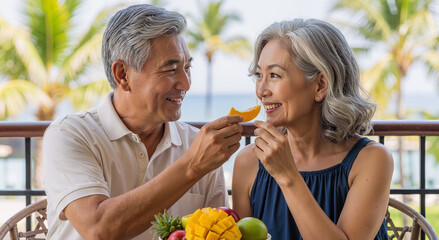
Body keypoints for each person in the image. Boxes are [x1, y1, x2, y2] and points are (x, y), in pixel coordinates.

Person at [42, 4, 243, 240]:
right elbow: (98, 229)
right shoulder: (69, 135)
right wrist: (192, 166)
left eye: (187, 67)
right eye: (170, 69)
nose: (186, 84)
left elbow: (218, 234)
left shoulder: (196, 145)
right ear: (123, 75)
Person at [232, 19, 393, 239]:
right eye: (259, 75)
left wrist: (287, 176)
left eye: (275, 75)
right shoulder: (248, 163)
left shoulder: (371, 160)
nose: (261, 90)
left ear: (320, 85)